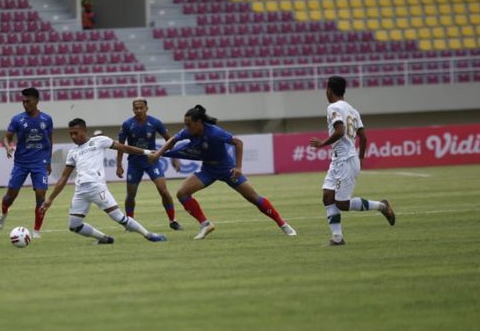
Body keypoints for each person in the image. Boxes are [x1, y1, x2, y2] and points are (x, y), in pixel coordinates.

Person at [150, 105, 297, 240]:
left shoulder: (215, 133)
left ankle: (283, 224)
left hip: (226, 169)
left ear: (198, 122)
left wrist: (238, 168)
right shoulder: (189, 131)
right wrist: (158, 153)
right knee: (182, 193)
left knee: (253, 197)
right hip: (208, 170)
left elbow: (238, 142)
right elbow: (173, 141)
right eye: (185, 124)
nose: (186, 127)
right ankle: (205, 224)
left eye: (189, 124)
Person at [41, 118, 167, 244]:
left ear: (84, 130)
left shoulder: (99, 141)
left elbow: (123, 147)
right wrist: (49, 199)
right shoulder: (73, 152)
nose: (73, 136)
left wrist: (147, 152)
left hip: (97, 187)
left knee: (119, 218)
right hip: (80, 192)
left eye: (76, 133)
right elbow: (63, 178)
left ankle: (149, 235)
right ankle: (104, 239)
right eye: (71, 134)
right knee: (74, 226)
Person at [308, 76, 395, 246]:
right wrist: (361, 158)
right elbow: (363, 137)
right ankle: (337, 238)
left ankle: (382, 206)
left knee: (342, 203)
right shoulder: (352, 110)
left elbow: (339, 131)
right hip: (342, 159)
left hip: (345, 160)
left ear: (329, 90)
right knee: (327, 196)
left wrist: (322, 144)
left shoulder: (332, 107)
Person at [116, 97, 183, 230]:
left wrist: (175, 158)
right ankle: (130, 223)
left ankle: (173, 220)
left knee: (163, 190)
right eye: (136, 108)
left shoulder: (155, 122)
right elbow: (120, 146)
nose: (139, 110)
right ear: (133, 109)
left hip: (152, 161)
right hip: (134, 163)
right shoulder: (127, 124)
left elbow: (170, 140)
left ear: (147, 108)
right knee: (131, 195)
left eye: (141, 107)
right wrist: (119, 164)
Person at [0, 87, 53, 238]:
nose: (25, 104)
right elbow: (7, 137)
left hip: (39, 163)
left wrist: (48, 161)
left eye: (28, 101)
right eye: (23, 101)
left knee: (41, 196)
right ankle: (3, 212)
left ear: (36, 101)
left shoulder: (46, 119)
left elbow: (49, 141)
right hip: (21, 163)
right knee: (11, 196)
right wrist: (8, 147)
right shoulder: (17, 119)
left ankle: (36, 231)